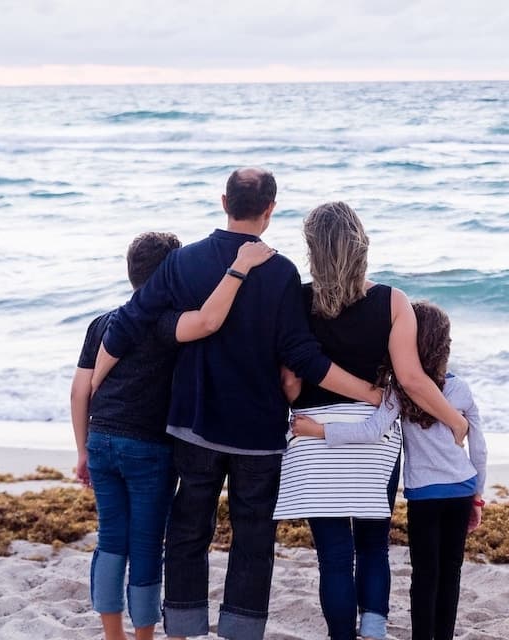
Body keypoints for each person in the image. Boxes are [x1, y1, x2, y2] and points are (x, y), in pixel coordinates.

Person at [92, 169, 381, 640]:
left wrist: (93, 387)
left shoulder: (182, 262)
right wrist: (367, 392)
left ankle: (181, 631)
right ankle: (241, 633)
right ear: (271, 209)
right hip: (258, 432)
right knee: (252, 541)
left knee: (187, 531)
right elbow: (302, 355)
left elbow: (130, 321)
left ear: (224, 200)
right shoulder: (282, 271)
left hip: (194, 425)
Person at [272, 203, 469, 640]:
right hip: (374, 438)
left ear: (312, 250)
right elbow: (413, 379)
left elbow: (288, 382)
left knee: (334, 558)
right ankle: (375, 629)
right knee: (374, 545)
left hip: (312, 439)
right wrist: (455, 421)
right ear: (361, 245)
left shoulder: (297, 301)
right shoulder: (393, 301)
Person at [71, 231, 276, 640]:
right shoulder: (165, 323)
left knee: (111, 539)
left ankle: (113, 634)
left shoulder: (103, 323)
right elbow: (208, 321)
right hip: (148, 449)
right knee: (146, 545)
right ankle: (144, 636)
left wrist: (81, 450)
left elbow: (80, 390)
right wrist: (240, 267)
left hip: (101, 441)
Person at [293, 301, 487, 640]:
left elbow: (371, 431)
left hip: (425, 497)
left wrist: (320, 431)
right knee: (451, 573)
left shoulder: (399, 390)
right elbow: (479, 448)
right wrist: (478, 495)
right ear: (445, 345)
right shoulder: (460, 388)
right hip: (462, 489)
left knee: (425, 576)